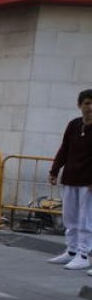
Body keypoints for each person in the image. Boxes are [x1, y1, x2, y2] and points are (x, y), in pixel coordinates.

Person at [46, 89, 92, 271]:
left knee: (85, 219)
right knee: (70, 217)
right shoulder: (74, 125)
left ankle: (83, 254)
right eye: (87, 103)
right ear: (80, 105)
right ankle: (71, 251)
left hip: (88, 182)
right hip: (71, 177)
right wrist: (54, 170)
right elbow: (64, 148)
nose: (90, 107)